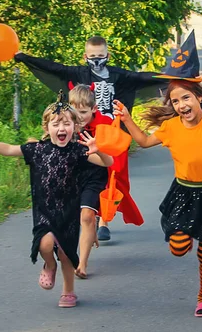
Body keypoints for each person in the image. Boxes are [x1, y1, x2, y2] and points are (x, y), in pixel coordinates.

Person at [114, 31, 202, 317]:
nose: (181, 105)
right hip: (183, 192)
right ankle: (186, 237)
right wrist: (127, 120)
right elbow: (143, 142)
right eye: (176, 102)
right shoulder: (171, 127)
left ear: (200, 97)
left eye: (186, 97)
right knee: (178, 247)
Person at [15, 35, 165, 241]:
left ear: (108, 55)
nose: (96, 60)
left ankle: (104, 220)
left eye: (101, 56)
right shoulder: (78, 73)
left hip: (112, 133)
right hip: (85, 131)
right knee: (84, 173)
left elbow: (144, 78)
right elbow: (53, 68)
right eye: (92, 56)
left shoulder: (118, 75)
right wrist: (24, 58)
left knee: (115, 175)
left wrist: (177, 78)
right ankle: (90, 213)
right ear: (85, 56)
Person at [0, 93, 113, 308]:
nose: (61, 128)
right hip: (44, 210)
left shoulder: (79, 151)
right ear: (47, 128)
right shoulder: (37, 150)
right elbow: (10, 149)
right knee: (45, 244)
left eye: (67, 123)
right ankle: (49, 265)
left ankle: (68, 292)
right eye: (56, 124)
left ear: (75, 128)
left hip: (69, 211)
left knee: (66, 254)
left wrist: (99, 150)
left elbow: (107, 162)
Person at [68, 83, 141, 279]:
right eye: (74, 111)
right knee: (73, 219)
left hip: (97, 175)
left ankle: (82, 264)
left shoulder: (104, 125)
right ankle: (90, 232)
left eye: (83, 111)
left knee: (86, 216)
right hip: (72, 177)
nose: (79, 116)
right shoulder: (65, 123)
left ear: (93, 109)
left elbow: (116, 155)